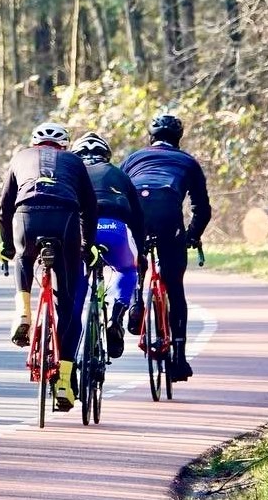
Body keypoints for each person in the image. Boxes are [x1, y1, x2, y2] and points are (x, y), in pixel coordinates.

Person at [0, 121, 98, 412]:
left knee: (23, 258)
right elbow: (90, 207)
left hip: (26, 216)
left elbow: (5, 208)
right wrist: (86, 245)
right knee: (66, 304)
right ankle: (64, 382)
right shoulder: (74, 161)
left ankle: (23, 314)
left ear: (34, 142)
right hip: (64, 219)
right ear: (64, 145)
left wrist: (7, 244)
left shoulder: (19, 157)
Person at [121, 113, 211, 383]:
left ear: (150, 137)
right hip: (168, 213)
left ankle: (136, 300)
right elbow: (202, 209)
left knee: (136, 261)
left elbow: (118, 190)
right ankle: (179, 359)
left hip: (135, 209)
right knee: (174, 286)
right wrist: (191, 236)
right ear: (179, 139)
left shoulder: (133, 158)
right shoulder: (188, 162)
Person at [69, 131, 145, 359]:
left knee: (74, 292)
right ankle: (116, 319)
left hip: (80, 232)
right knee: (127, 269)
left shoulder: (72, 173)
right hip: (115, 229)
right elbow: (138, 218)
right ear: (106, 155)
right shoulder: (118, 174)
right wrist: (139, 254)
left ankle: (68, 359)